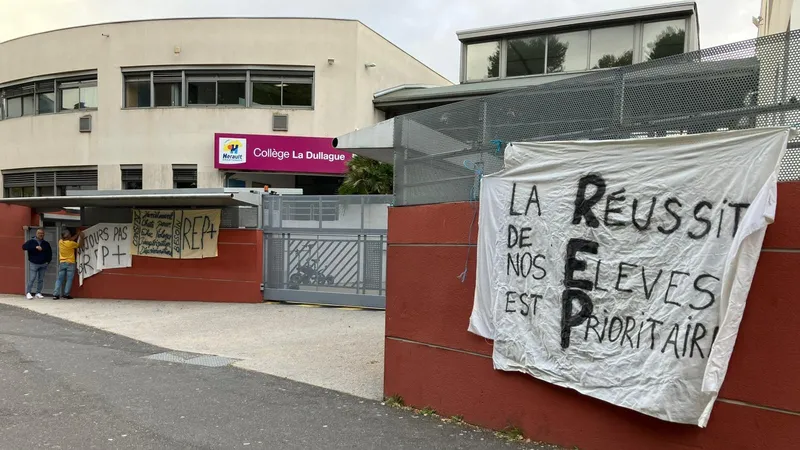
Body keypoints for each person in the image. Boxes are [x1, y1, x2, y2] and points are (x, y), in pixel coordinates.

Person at [21, 228, 52, 299]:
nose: (41, 235)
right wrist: (35, 247)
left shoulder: (46, 243)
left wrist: (48, 261)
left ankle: (38, 292)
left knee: (40, 279)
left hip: (43, 264)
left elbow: (49, 253)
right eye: (39, 233)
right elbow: (24, 247)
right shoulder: (31, 241)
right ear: (36, 234)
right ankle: (28, 292)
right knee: (32, 278)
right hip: (34, 263)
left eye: (42, 233)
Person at [53, 228, 83, 300]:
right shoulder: (71, 244)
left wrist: (77, 234)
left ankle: (55, 294)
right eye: (69, 234)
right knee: (69, 279)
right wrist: (81, 237)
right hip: (70, 263)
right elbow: (80, 245)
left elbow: (71, 239)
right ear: (67, 236)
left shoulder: (60, 242)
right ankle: (66, 294)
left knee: (59, 279)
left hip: (62, 262)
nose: (70, 235)